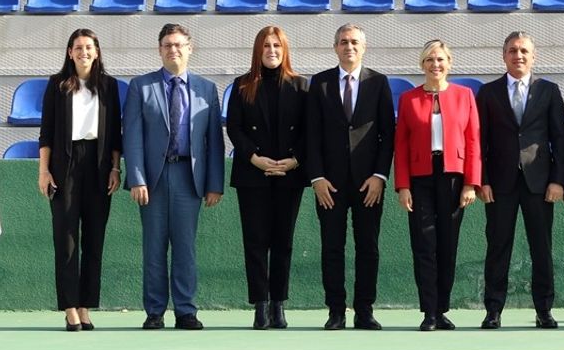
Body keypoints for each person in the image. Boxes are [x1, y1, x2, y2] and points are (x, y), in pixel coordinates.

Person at [122, 24, 224, 331]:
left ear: (190, 48)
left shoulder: (206, 88)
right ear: (159, 49)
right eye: (167, 45)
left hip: (189, 177)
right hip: (153, 177)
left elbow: (214, 142)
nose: (173, 50)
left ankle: (185, 311)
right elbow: (133, 136)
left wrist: (214, 184)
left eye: (179, 44)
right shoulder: (140, 86)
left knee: (185, 247)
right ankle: (154, 311)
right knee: (153, 247)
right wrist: (136, 177)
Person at [304, 24, 395, 331]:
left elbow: (387, 134)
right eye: (343, 42)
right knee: (332, 246)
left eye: (354, 42)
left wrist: (380, 176)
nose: (349, 47)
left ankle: (365, 309)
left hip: (368, 182)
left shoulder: (379, 83)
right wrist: (316, 177)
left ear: (364, 47)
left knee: (368, 246)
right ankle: (336, 311)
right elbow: (311, 135)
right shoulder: (320, 83)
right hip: (329, 183)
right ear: (335, 47)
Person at [476, 32, 564, 330]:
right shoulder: (488, 93)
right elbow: (480, 142)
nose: (519, 56)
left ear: (534, 55)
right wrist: (483, 181)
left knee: (541, 248)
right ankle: (493, 310)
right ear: (504, 56)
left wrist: (557, 180)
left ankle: (544, 310)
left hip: (539, 183)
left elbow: (560, 140)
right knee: (497, 247)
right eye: (513, 51)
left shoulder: (549, 91)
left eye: (524, 51)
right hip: (499, 184)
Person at [37, 29, 122, 332]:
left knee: (94, 239)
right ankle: (70, 307)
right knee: (67, 240)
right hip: (65, 165)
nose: (83, 52)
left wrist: (115, 169)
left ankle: (86, 305)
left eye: (89, 47)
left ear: (97, 52)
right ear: (69, 52)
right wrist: (44, 171)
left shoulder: (109, 86)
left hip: (98, 167)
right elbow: (46, 132)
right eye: (78, 48)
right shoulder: (57, 85)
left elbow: (114, 135)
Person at [227, 25, 310, 330]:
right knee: (256, 241)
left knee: (283, 241)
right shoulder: (241, 86)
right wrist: (255, 158)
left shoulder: (302, 87)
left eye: (277, 46)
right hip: (253, 175)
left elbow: (308, 130)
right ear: (257, 51)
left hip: (289, 174)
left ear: (284, 49)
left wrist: (294, 160)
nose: (272, 51)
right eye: (266, 46)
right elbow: (234, 128)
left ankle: (279, 304)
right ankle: (260, 305)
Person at [394, 39, 480, 332]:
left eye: (441, 59)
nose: (435, 65)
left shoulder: (465, 95)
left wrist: (471, 183)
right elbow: (401, 145)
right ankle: (428, 311)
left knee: (447, 245)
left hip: (454, 177)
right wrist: (402, 185)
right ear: (422, 64)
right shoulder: (408, 99)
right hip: (420, 178)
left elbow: (473, 141)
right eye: (430, 59)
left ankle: (442, 309)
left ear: (449, 63)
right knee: (424, 245)